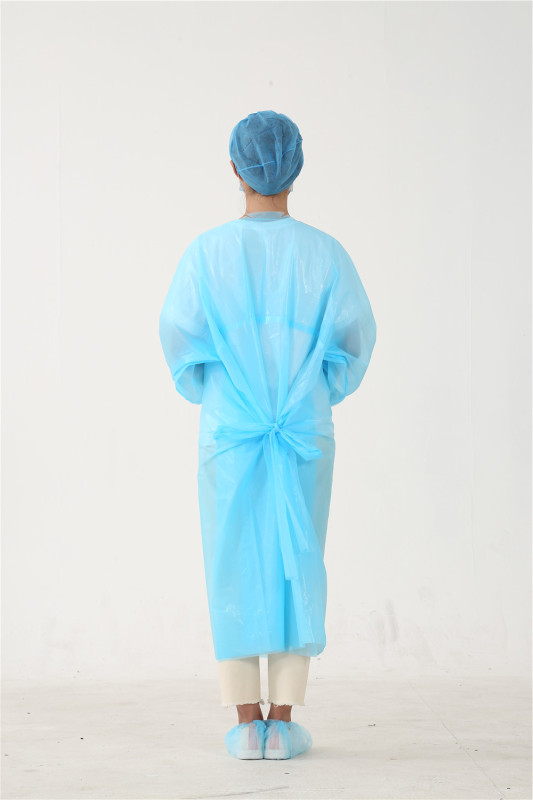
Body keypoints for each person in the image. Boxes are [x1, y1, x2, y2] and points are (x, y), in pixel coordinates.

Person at [159, 110, 377, 760]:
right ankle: (281, 723)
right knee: (295, 563)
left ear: (235, 168)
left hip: (231, 434)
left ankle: (244, 722)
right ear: (296, 168)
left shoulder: (206, 254)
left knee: (230, 563)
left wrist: (229, 393)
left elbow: (181, 346)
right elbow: (352, 347)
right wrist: (307, 389)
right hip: (302, 432)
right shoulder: (325, 255)